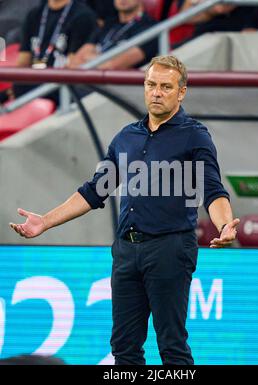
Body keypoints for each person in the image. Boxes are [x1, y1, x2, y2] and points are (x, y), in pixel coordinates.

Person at [10, 55, 239, 365]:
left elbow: (212, 191)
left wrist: (224, 225)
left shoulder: (194, 136)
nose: (156, 92)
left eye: (166, 87)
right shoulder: (125, 137)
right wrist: (45, 222)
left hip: (170, 247)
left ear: (181, 92)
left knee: (172, 345)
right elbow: (94, 191)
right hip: (126, 250)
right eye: (151, 85)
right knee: (124, 347)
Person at [0, 0, 98, 104]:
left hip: (62, 85)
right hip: (34, 81)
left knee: (21, 88)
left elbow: (73, 66)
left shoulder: (82, 15)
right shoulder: (34, 15)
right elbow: (23, 63)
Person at [68, 0, 158, 70]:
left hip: (118, 89)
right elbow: (76, 59)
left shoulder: (150, 28)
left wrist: (91, 57)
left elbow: (112, 67)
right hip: (87, 84)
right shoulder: (108, 23)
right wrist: (99, 60)